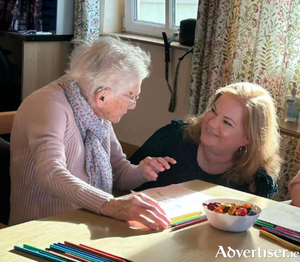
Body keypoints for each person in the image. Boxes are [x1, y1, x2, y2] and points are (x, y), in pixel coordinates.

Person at [9, 36, 176, 230]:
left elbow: (119, 172)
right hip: (42, 229)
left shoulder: (94, 110)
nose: (133, 106)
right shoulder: (48, 105)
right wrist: (110, 204)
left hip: (89, 221)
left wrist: (141, 172)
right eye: (131, 96)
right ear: (102, 95)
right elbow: (51, 174)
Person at [130, 82, 281, 198]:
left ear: (248, 138)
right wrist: (137, 173)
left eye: (227, 122)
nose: (211, 122)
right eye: (214, 111)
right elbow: (117, 180)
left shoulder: (256, 182)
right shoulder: (173, 136)